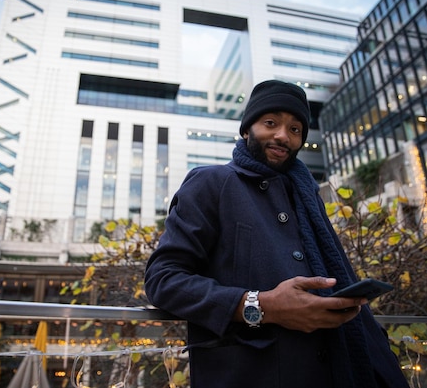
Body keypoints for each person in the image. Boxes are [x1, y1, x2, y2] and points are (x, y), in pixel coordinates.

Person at [144, 80, 409, 388]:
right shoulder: (211, 182)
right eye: (271, 123)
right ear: (247, 129)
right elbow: (163, 280)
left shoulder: (307, 198)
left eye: (295, 129)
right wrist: (261, 305)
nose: (283, 136)